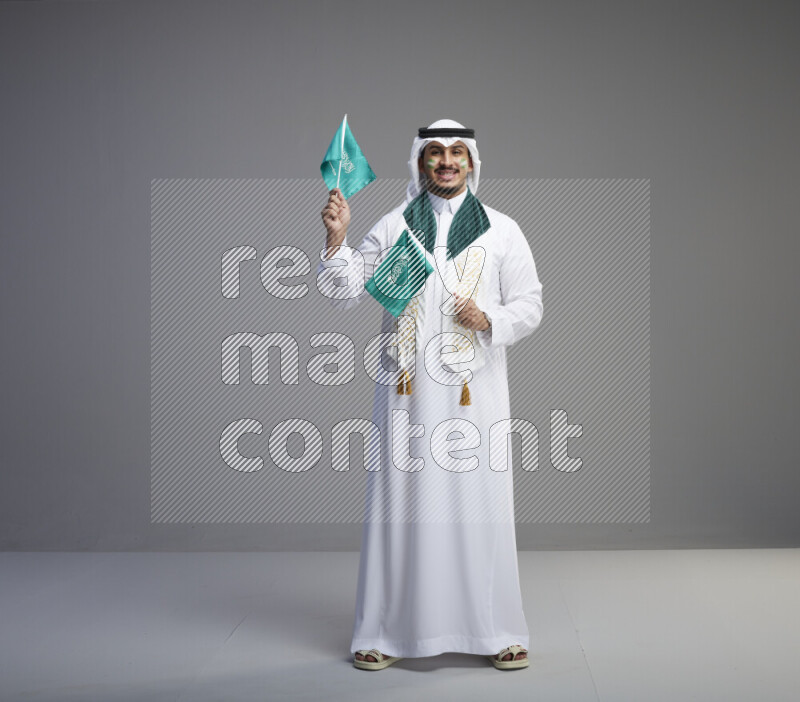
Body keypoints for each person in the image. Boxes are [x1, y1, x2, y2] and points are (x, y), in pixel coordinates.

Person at [317, 119, 543, 671]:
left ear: (472, 162)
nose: (446, 161)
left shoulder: (500, 230)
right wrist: (337, 238)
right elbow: (344, 291)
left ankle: (497, 630)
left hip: (475, 394)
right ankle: (386, 632)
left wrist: (490, 318)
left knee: (480, 504)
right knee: (402, 505)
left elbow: (531, 304)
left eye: (457, 152)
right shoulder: (397, 226)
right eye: (435, 153)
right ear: (420, 162)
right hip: (406, 394)